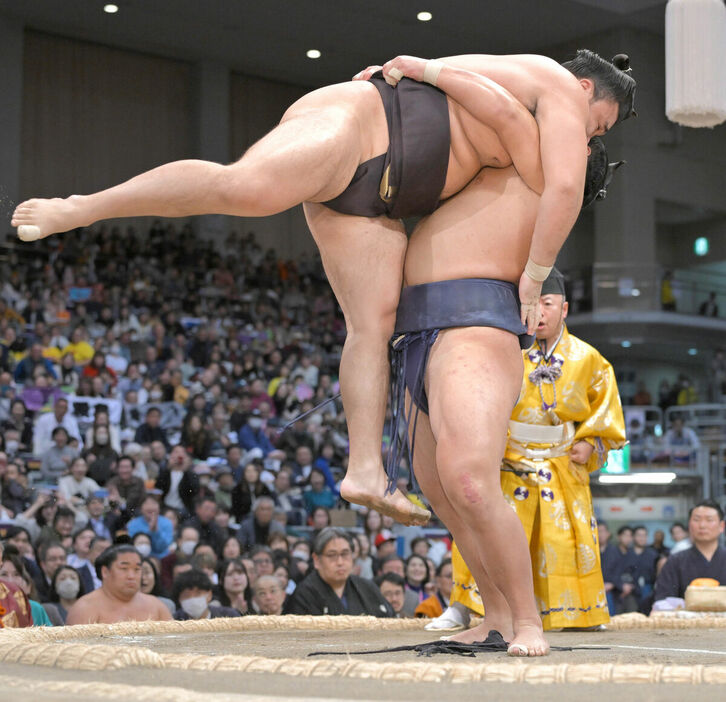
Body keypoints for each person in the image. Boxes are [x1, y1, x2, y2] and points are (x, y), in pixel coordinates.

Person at [12, 50, 635, 528]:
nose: (588, 138)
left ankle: (365, 468)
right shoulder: (553, 83)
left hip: (379, 204)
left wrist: (429, 70)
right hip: (368, 126)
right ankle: (84, 206)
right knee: (246, 188)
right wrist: (533, 274)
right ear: (585, 89)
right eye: (598, 123)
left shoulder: (522, 114)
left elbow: (498, 124)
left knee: (373, 323)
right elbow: (551, 179)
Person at [372, 133, 624, 652]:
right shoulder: (496, 163)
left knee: (466, 482)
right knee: (441, 488)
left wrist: (426, 67)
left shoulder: (542, 196)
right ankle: (497, 614)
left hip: (476, 330)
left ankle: (528, 621)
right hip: (418, 329)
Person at [284, 527, 393, 617]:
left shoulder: (367, 587)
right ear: (317, 560)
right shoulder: (303, 595)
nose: (340, 562)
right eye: (332, 555)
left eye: (345, 554)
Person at [66, 545, 172, 624]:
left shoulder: (157, 606)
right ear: (105, 572)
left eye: (137, 569)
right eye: (124, 569)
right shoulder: (85, 608)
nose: (131, 576)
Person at [654, 501, 726, 602]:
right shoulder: (675, 561)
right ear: (689, 525)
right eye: (696, 520)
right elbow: (663, 600)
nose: (702, 525)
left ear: (722, 526)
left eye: (709, 520)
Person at [172, 569, 240, 620]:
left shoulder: (229, 616)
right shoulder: (173, 621)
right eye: (186, 595)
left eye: (198, 594)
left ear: (209, 595)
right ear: (179, 600)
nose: (192, 598)